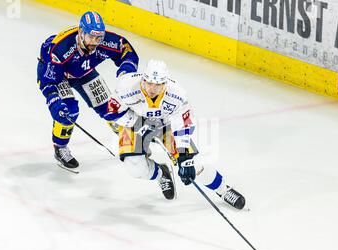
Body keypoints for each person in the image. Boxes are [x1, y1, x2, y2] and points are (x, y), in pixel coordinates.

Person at [106, 60, 246, 209]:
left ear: (165, 83)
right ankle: (162, 174)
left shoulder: (177, 94)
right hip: (134, 123)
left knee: (195, 165)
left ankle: (223, 190)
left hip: (166, 125)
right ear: (143, 79)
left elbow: (184, 124)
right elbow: (111, 112)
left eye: (158, 84)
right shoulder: (126, 87)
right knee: (135, 168)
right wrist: (136, 123)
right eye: (149, 83)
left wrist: (184, 155)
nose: (152, 88)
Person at [37, 11, 139, 171]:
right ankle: (60, 147)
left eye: (99, 37)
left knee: (111, 107)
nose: (95, 42)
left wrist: (126, 70)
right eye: (91, 37)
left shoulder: (104, 42)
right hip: (59, 74)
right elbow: (49, 81)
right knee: (68, 111)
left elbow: (127, 51)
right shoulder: (60, 49)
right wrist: (54, 101)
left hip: (84, 71)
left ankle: (123, 130)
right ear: (81, 32)